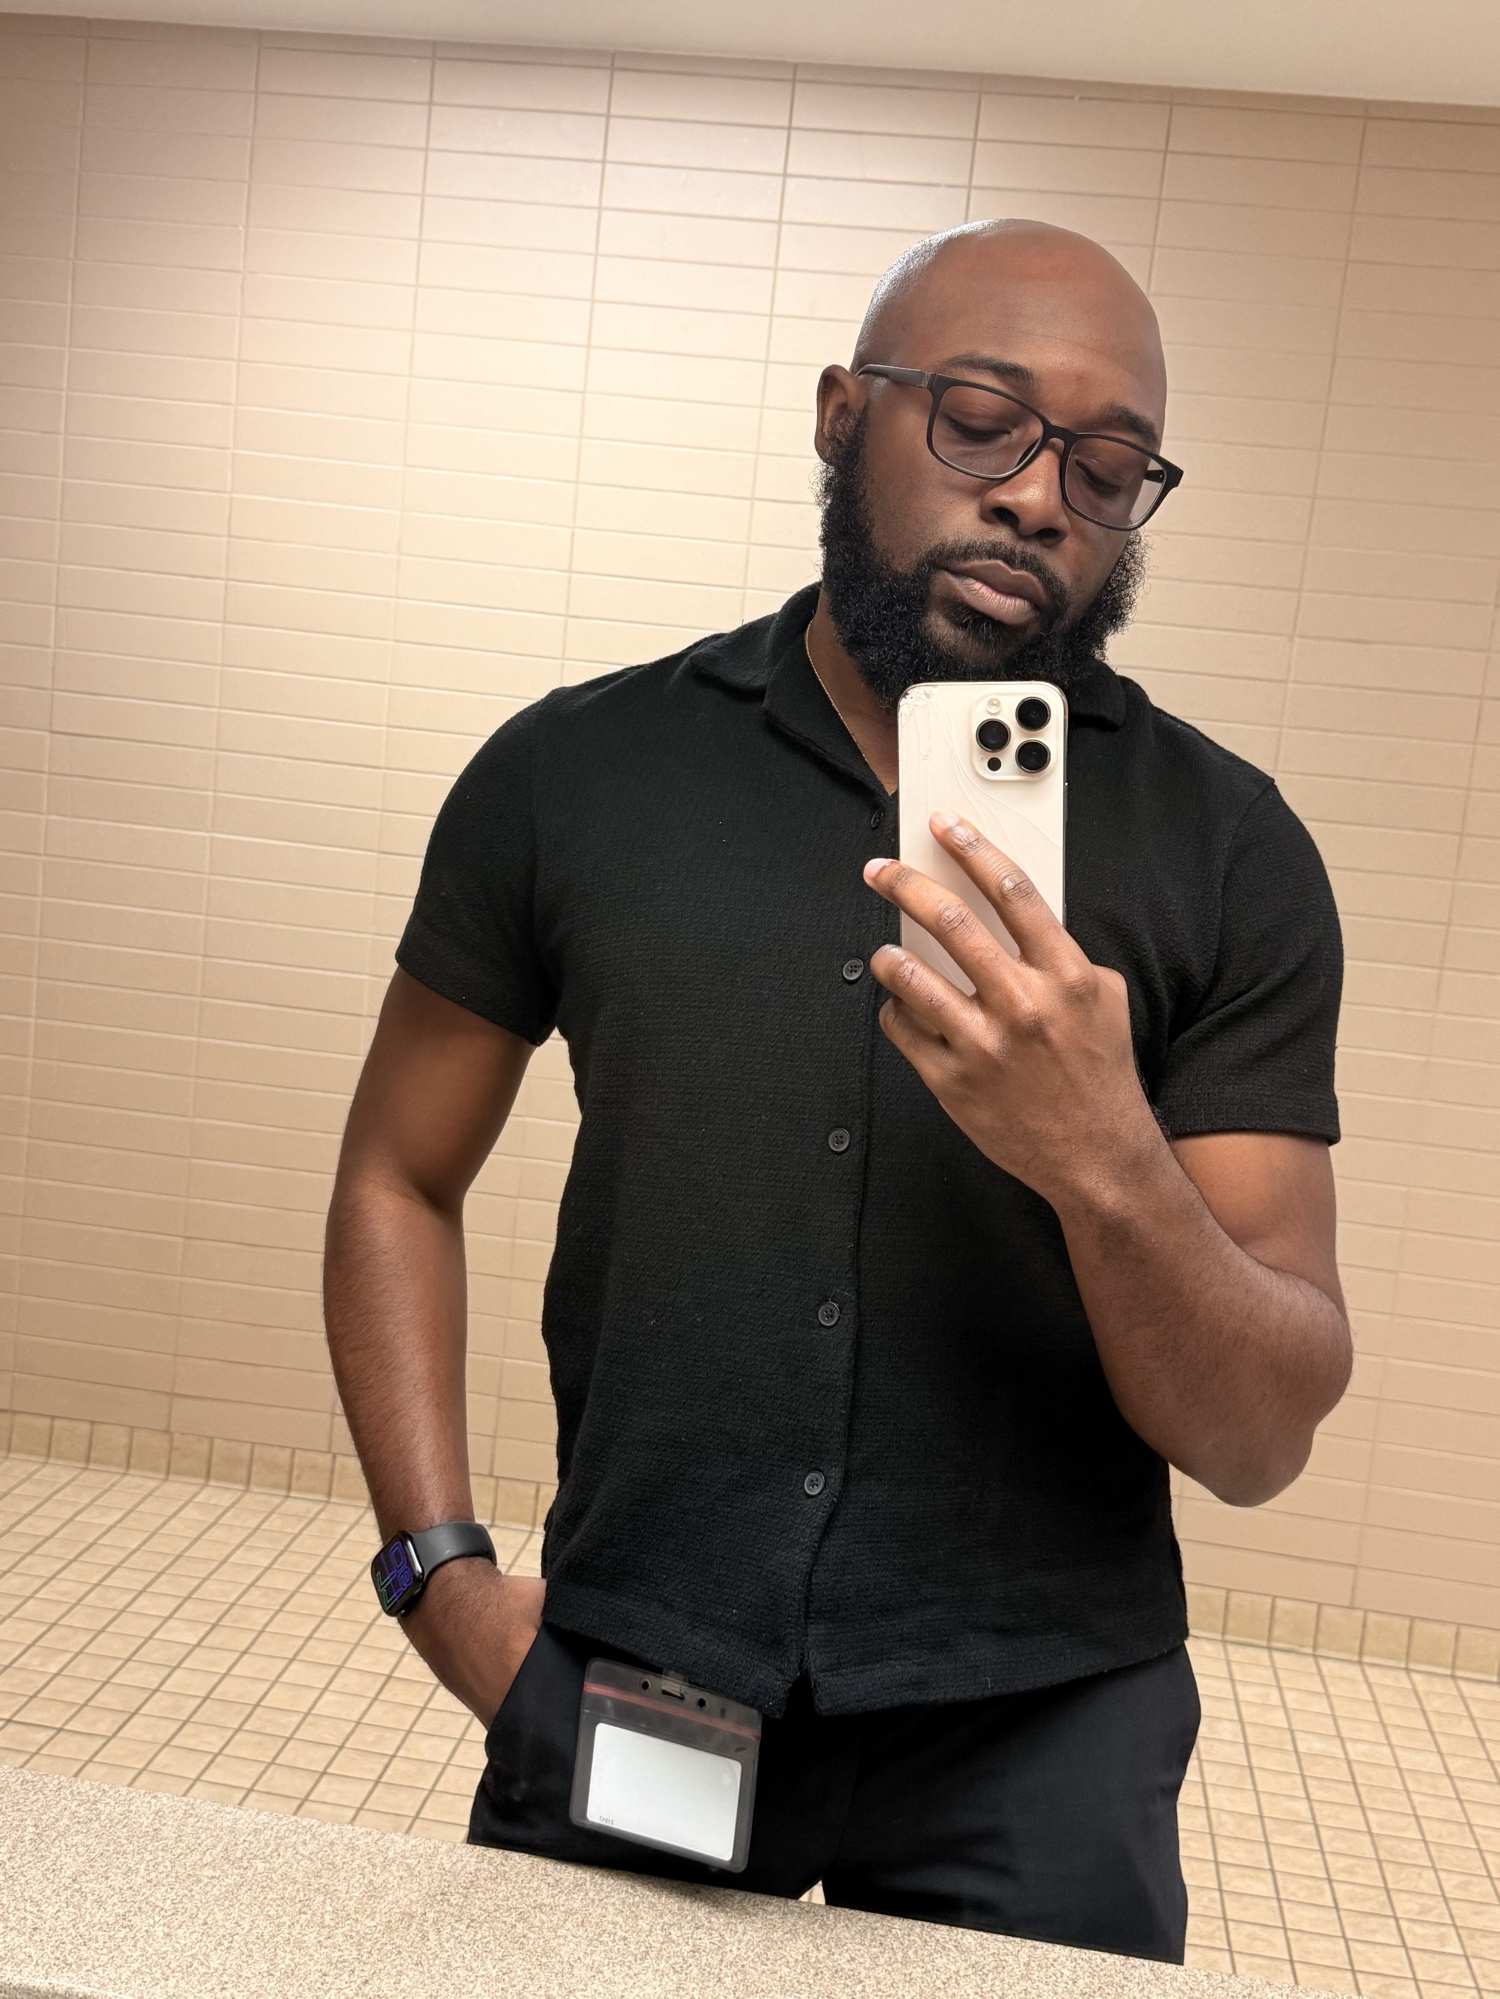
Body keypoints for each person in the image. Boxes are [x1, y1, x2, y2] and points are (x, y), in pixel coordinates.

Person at [324, 218, 1350, 1960]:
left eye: (1108, 470)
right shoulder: (578, 772)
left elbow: (1260, 1437)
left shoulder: (1228, 851)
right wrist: (440, 1577)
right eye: (981, 421)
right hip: (642, 1665)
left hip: (1042, 1723)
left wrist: (1104, 1158)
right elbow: (394, 1178)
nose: (1039, 500)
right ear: (839, 413)